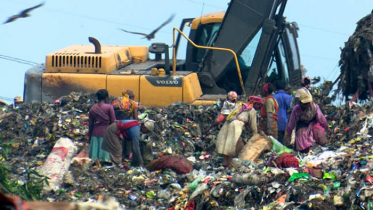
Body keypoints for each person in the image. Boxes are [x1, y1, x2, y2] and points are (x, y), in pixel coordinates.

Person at [216, 96, 263, 169]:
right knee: (232, 145)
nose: (260, 107)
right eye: (259, 105)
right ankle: (229, 165)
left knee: (227, 144)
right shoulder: (252, 110)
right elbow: (253, 126)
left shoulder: (241, 106)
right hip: (236, 125)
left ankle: (224, 163)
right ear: (255, 103)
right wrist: (256, 135)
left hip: (228, 123)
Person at [88, 89, 116, 163]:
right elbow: (113, 122)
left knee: (94, 161)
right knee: (105, 161)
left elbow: (90, 125)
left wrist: (90, 136)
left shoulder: (92, 109)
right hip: (105, 133)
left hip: (95, 134)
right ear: (106, 98)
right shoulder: (109, 107)